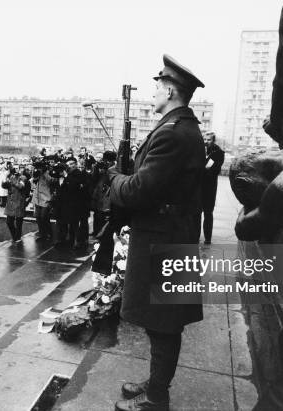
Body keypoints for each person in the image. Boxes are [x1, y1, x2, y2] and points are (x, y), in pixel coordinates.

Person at [108, 54, 205, 411]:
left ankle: (157, 397)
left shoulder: (174, 133)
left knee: (164, 324)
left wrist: (114, 180)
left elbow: (138, 190)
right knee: (160, 323)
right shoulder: (177, 128)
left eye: (155, 88)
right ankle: (156, 383)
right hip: (168, 234)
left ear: (169, 89)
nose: (152, 94)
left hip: (163, 238)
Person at [197, 131, 225, 245]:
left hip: (209, 187)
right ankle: (195, 236)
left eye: (209, 140)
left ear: (213, 140)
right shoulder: (199, 150)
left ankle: (208, 238)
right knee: (197, 212)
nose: (206, 142)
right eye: (205, 139)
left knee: (208, 213)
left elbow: (211, 170)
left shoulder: (218, 153)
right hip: (199, 187)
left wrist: (200, 169)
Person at [3, 166, 30, 242]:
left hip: (19, 201)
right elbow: (4, 186)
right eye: (15, 168)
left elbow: (20, 186)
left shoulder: (23, 177)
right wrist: (5, 181)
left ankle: (17, 237)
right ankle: (15, 236)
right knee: (9, 221)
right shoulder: (11, 176)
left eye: (18, 168)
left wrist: (12, 181)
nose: (16, 170)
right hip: (11, 201)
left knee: (19, 221)